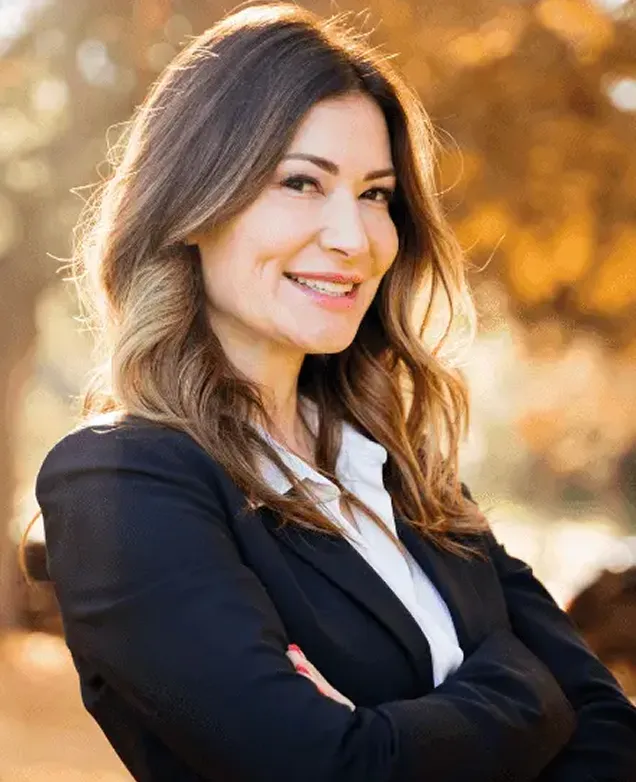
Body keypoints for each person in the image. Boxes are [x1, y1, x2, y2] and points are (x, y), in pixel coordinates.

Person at [22, 3, 636, 780]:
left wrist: (396, 734)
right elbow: (322, 768)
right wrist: (524, 691)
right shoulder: (120, 484)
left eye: (376, 194)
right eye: (301, 182)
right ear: (191, 205)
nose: (353, 238)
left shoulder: (404, 474)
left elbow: (610, 728)